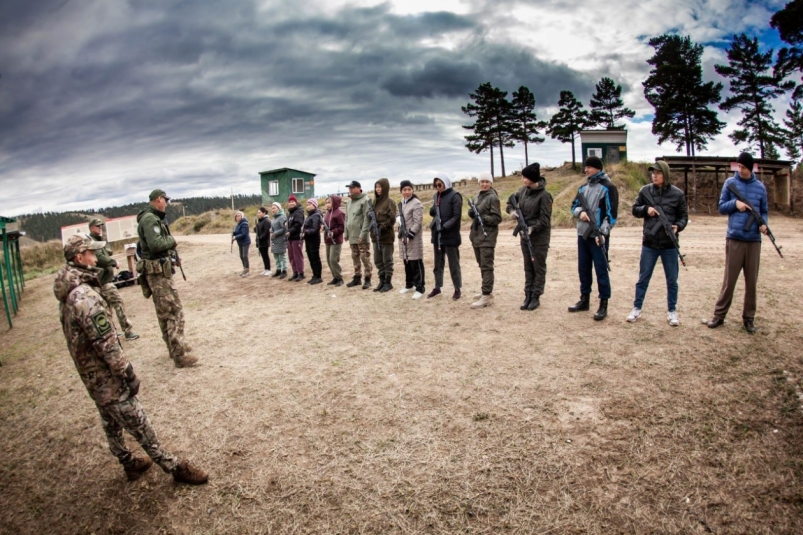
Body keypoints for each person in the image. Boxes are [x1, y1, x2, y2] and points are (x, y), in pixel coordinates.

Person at [54, 234, 208, 484]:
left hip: (91, 377)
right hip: (107, 377)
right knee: (139, 423)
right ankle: (175, 467)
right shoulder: (84, 296)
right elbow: (106, 344)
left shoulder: (68, 292)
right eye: (92, 253)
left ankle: (128, 462)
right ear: (79, 257)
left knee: (110, 421)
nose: (96, 257)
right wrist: (127, 372)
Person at [704, 152, 769, 334]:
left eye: (743, 167)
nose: (740, 170)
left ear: (751, 168)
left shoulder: (760, 188)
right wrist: (736, 204)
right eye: (738, 166)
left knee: (751, 283)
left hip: (754, 241)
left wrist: (763, 224)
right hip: (734, 238)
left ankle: (749, 318)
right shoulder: (730, 184)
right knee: (729, 280)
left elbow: (764, 211)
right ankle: (719, 315)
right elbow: (721, 207)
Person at [136, 189, 196, 367]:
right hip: (158, 274)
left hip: (159, 271)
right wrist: (172, 241)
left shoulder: (152, 218)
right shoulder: (150, 219)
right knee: (173, 312)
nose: (167, 204)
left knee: (164, 313)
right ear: (159, 199)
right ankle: (179, 355)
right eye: (166, 200)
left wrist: (172, 256)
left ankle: (175, 347)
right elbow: (155, 245)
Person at [627, 161, 688, 326]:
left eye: (658, 172)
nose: (654, 175)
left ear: (665, 174)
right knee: (643, 278)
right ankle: (636, 308)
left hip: (669, 245)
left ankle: (672, 311)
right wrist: (646, 209)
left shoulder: (677, 194)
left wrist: (678, 226)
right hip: (650, 243)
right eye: (653, 172)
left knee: (672, 281)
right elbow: (634, 209)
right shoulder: (645, 191)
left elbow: (684, 216)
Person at [568, 157, 617, 321]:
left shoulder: (608, 188)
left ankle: (603, 304)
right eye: (585, 167)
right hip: (583, 234)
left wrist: (602, 233)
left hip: (597, 237)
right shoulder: (583, 188)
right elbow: (574, 206)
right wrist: (579, 213)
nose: (586, 170)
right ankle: (584, 299)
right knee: (583, 268)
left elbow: (611, 215)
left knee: (601, 270)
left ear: (597, 168)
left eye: (589, 167)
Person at [506, 163, 552, 311]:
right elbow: (509, 202)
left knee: (538, 266)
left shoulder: (544, 195)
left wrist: (532, 228)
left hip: (539, 237)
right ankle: (527, 294)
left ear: (532, 178)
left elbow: (545, 219)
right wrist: (512, 212)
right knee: (528, 266)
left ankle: (536, 296)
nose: (522, 180)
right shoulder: (522, 191)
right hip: (525, 236)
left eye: (525, 177)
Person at [88, 218, 139, 340]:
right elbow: (101, 258)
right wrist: (113, 262)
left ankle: (112, 332)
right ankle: (127, 330)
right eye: (97, 226)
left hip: (104, 280)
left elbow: (107, 253)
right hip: (103, 281)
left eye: (101, 226)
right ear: (91, 228)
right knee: (118, 302)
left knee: (107, 307)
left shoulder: (98, 241)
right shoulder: (91, 242)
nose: (100, 228)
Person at [469, 172, 502, 309]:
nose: (484, 184)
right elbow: (476, 213)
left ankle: (486, 295)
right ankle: (486, 290)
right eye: (482, 181)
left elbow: (497, 218)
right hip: (476, 236)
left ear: (491, 183)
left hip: (487, 236)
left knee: (487, 266)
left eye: (487, 182)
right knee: (482, 264)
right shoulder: (477, 196)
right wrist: (472, 214)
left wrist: (482, 218)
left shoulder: (493, 198)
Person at [428, 174, 463, 300]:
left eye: (440, 184)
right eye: (436, 185)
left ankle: (457, 288)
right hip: (437, 235)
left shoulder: (455, 196)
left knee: (453, 264)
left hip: (450, 235)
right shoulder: (436, 196)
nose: (438, 187)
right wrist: (432, 211)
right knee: (438, 263)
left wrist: (445, 227)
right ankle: (437, 287)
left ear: (446, 183)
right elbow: (435, 211)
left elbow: (456, 216)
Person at [397, 180, 426, 299]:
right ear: (401, 191)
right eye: (404, 190)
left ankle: (420, 287)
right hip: (403, 236)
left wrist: (410, 235)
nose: (407, 192)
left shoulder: (416, 203)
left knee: (416, 262)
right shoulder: (402, 203)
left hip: (413, 237)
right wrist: (397, 218)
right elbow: (398, 215)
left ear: (412, 190)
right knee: (406, 261)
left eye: (409, 189)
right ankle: (409, 284)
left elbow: (418, 222)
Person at [343, 181, 373, 289]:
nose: (350, 190)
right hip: (351, 235)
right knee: (354, 256)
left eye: (352, 188)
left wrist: (363, 234)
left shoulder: (365, 200)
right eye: (349, 188)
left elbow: (367, 219)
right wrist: (346, 232)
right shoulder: (349, 202)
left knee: (364, 256)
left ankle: (368, 278)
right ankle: (357, 277)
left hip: (361, 235)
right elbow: (346, 219)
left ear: (358, 188)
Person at [370, 178, 397, 292]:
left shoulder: (390, 202)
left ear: (385, 188)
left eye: (380, 187)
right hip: (376, 236)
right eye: (376, 187)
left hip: (386, 236)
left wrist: (383, 226)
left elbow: (392, 218)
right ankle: (381, 281)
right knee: (378, 260)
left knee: (387, 260)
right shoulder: (375, 201)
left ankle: (388, 282)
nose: (378, 189)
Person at [323, 195, 345, 286]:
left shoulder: (339, 213)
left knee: (333, 259)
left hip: (336, 240)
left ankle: (339, 278)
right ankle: (335, 277)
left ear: (334, 203)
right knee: (328, 259)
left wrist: (333, 232)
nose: (327, 204)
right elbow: (327, 224)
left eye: (329, 202)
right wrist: (323, 227)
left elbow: (342, 227)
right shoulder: (327, 213)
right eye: (326, 203)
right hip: (328, 239)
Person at [303, 198, 324, 285]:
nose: (308, 206)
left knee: (315, 258)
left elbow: (315, 229)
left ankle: (318, 276)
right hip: (308, 239)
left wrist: (306, 231)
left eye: (310, 204)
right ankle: (314, 275)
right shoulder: (309, 215)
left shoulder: (316, 215)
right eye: (307, 204)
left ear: (314, 205)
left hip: (314, 239)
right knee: (311, 258)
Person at [286, 195, 306, 281]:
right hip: (290, 238)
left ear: (296, 202)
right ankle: (295, 272)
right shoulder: (290, 213)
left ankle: (301, 273)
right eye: (290, 202)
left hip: (297, 237)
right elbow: (289, 223)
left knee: (297, 256)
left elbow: (298, 224)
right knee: (291, 256)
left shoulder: (298, 212)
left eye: (292, 202)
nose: (291, 203)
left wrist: (290, 231)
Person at [269, 202, 288, 279]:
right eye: (272, 208)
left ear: (279, 208)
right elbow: (273, 227)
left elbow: (284, 228)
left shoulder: (282, 217)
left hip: (281, 239)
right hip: (274, 239)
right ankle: (278, 270)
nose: (272, 210)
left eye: (274, 208)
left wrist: (275, 233)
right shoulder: (274, 218)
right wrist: (271, 230)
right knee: (276, 255)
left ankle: (284, 271)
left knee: (282, 256)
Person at [231, 211, 251, 277]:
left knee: (245, 256)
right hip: (240, 242)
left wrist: (235, 237)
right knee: (241, 256)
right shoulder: (238, 224)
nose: (238, 217)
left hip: (245, 242)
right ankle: (244, 269)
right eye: (237, 216)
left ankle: (247, 271)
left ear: (242, 216)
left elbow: (244, 234)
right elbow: (238, 232)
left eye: (239, 215)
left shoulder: (244, 223)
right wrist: (234, 233)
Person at [255, 207, 272, 276]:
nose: (258, 214)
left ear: (264, 213)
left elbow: (266, 232)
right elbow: (258, 231)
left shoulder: (266, 220)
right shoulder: (260, 221)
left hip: (264, 241)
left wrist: (260, 238)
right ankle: (266, 269)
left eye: (259, 213)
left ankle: (268, 269)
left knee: (265, 255)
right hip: (260, 241)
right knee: (263, 255)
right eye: (258, 213)